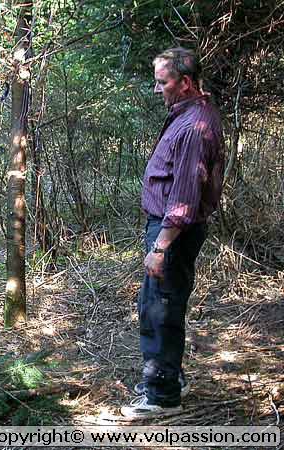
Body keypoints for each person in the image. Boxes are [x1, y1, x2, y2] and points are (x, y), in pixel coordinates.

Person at [121, 48, 225, 419]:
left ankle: (162, 396)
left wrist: (161, 246)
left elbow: (184, 193)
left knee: (158, 308)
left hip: (173, 232)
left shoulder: (196, 125)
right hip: (170, 228)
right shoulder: (186, 114)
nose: (156, 89)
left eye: (161, 82)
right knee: (159, 303)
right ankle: (169, 378)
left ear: (184, 82)